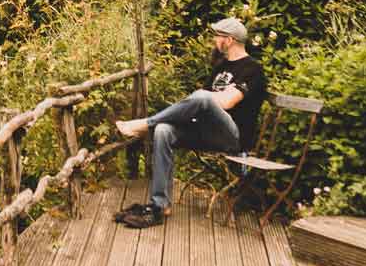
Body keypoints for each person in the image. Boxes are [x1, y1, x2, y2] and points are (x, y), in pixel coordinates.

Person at [113, 17, 266, 229]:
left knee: (202, 97)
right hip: (206, 132)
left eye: (217, 36)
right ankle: (160, 205)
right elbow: (201, 104)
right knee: (164, 130)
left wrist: (202, 96)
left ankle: (144, 124)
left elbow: (227, 101)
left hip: (233, 137)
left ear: (229, 40)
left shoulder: (253, 69)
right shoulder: (220, 66)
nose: (214, 40)